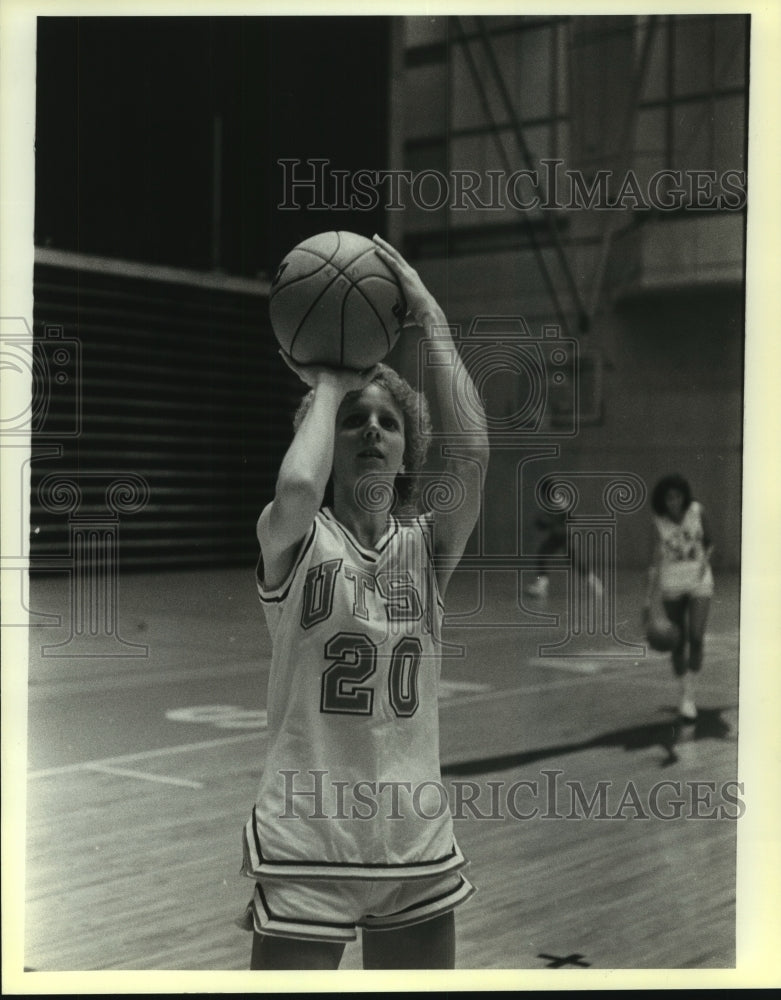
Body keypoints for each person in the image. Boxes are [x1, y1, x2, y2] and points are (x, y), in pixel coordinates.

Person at [237, 234, 489, 970]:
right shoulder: (294, 539)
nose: (371, 430)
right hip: (306, 839)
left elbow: (472, 454)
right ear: (324, 440)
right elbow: (295, 488)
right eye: (354, 420)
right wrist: (327, 383)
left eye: (388, 421)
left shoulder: (425, 548)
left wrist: (430, 316)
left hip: (409, 841)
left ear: (408, 451)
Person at [643, 474, 714, 722]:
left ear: (684, 496)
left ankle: (691, 693)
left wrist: (705, 558)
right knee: (677, 640)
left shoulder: (696, 511)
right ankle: (684, 695)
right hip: (671, 583)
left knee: (696, 636)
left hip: (698, 581)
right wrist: (646, 599)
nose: (673, 502)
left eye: (677, 496)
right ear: (663, 500)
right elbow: (654, 562)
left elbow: (710, 541)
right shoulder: (659, 522)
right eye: (669, 498)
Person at [524, 478, 602, 600]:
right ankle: (541, 586)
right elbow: (547, 521)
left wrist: (550, 523)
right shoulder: (549, 502)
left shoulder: (558, 501)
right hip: (557, 535)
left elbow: (569, 519)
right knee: (542, 555)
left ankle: (595, 583)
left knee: (574, 561)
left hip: (566, 536)